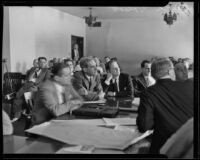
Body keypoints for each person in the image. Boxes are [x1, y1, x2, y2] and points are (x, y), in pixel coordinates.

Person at [136, 57, 193, 154]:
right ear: (171, 71)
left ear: (153, 75)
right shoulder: (190, 85)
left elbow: (144, 126)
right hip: (191, 147)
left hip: (164, 148)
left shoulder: (148, 93)